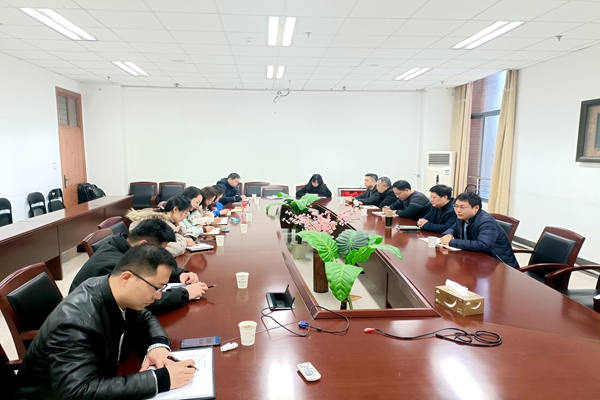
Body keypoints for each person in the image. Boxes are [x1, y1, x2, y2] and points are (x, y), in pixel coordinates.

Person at [15, 244, 196, 399]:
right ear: (126, 278)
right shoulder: (74, 325)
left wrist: (157, 346)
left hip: (104, 373)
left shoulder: (111, 287)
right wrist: (160, 379)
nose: (158, 297)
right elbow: (76, 392)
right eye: (156, 288)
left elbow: (145, 317)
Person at [69, 219, 208, 315]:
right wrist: (185, 294)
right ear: (143, 245)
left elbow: (151, 266)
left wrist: (179, 274)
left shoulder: (123, 244)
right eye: (159, 250)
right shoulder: (114, 266)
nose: (161, 254)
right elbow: (143, 303)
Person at [441, 193, 519, 269]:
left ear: (476, 208)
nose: (458, 210)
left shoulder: (486, 221)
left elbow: (484, 245)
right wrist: (448, 234)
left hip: (498, 265)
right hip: (475, 257)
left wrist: (451, 242)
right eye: (456, 206)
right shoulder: (462, 216)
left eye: (462, 207)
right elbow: (454, 228)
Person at [127, 195, 195, 257]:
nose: (185, 217)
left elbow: (185, 231)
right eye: (185, 213)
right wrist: (176, 233)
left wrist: (188, 237)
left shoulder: (170, 221)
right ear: (175, 209)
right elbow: (178, 249)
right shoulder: (161, 224)